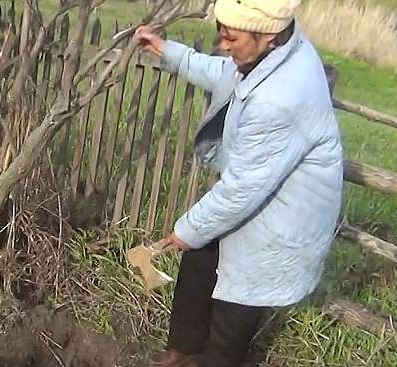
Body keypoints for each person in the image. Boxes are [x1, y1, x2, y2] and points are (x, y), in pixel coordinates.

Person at [135, 0, 344, 366]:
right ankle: (179, 355)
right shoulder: (275, 50)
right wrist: (171, 52)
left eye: (230, 36)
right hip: (260, 191)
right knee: (199, 262)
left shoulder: (280, 98)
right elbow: (226, 72)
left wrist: (187, 228)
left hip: (282, 216)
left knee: (237, 305)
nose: (222, 43)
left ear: (268, 37)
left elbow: (241, 191)